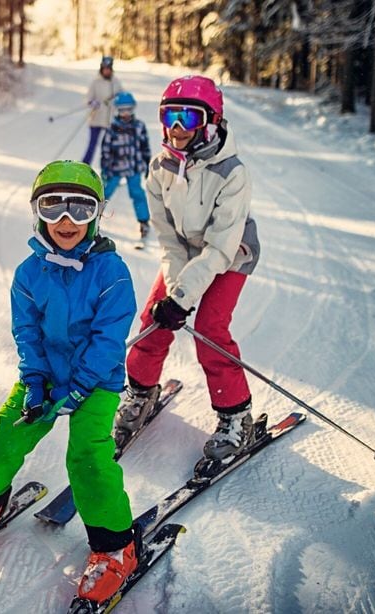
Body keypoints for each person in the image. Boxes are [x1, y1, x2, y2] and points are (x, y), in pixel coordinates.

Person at [0, 160, 140, 604]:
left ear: (97, 214)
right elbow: (25, 332)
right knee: (0, 438)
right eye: (53, 207)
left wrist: (82, 387)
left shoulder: (112, 273)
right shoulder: (29, 274)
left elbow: (108, 340)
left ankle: (115, 548)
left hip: (96, 383)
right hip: (46, 377)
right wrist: (34, 379)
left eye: (80, 209)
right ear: (37, 212)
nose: (66, 220)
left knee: (86, 458)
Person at [113, 75, 261, 478]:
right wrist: (176, 295)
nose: (176, 128)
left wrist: (187, 299)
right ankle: (141, 392)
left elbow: (218, 249)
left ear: (211, 122)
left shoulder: (232, 172)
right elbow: (169, 241)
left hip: (229, 255)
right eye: (169, 117)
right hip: (186, 253)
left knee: (210, 328)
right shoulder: (158, 167)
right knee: (153, 321)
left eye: (187, 117)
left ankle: (236, 416)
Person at [100, 91, 152, 244]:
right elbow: (105, 149)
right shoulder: (112, 128)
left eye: (129, 109)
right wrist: (105, 168)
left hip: (134, 167)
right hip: (115, 168)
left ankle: (143, 221)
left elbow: (145, 146)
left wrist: (147, 163)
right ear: (117, 110)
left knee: (137, 193)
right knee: (105, 192)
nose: (126, 113)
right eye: (122, 110)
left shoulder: (139, 126)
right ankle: (92, 218)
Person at [81, 56, 122, 166]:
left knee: (109, 146)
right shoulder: (95, 82)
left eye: (108, 68)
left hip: (109, 120)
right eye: (105, 68)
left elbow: (122, 97)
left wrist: (115, 101)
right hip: (96, 119)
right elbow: (87, 99)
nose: (107, 71)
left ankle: (110, 169)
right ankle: (84, 166)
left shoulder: (116, 82)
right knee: (92, 145)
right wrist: (92, 103)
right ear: (101, 69)